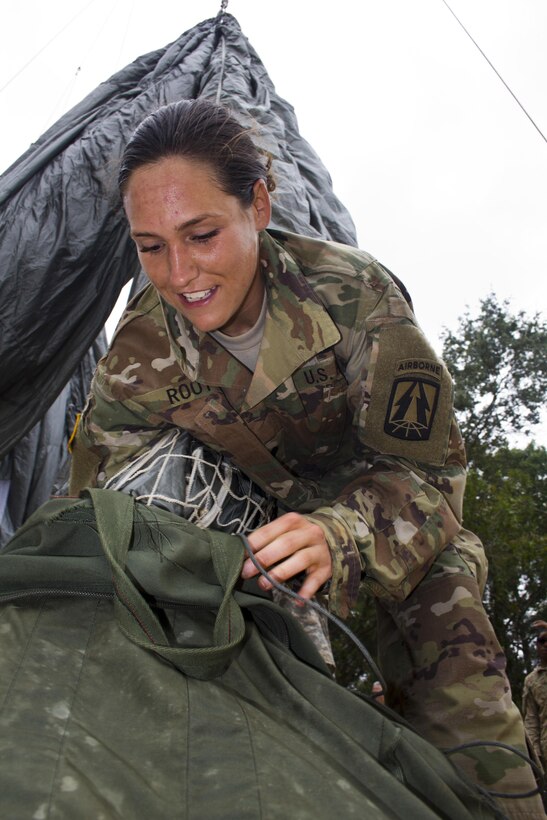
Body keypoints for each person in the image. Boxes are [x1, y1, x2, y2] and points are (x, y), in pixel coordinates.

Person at [69, 98, 544, 818]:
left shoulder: (354, 298)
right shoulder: (138, 352)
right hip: (246, 561)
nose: (179, 273)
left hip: (399, 536)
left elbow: (432, 480)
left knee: (463, 717)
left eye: (200, 234)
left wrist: (336, 534)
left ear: (257, 205)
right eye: (150, 246)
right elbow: (95, 512)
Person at [523, 624, 547, 783]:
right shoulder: (531, 680)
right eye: (542, 641)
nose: (546, 644)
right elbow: (531, 720)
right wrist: (535, 756)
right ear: (537, 646)